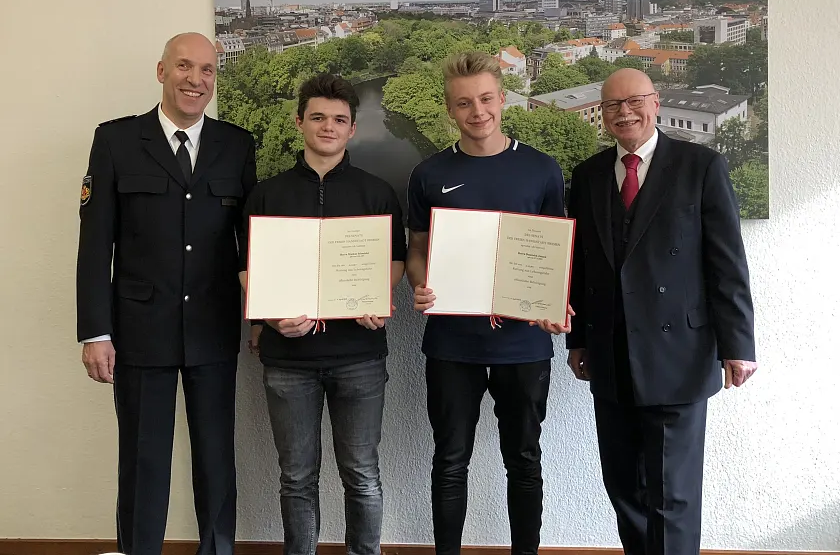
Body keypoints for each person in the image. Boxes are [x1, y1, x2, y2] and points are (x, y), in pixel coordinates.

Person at [76, 32, 257, 555]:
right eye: (184, 67)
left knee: (216, 456)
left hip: (214, 325)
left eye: (206, 70)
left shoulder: (236, 145)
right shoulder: (115, 140)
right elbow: (95, 245)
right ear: (161, 72)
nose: (195, 80)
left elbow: (251, 243)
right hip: (138, 330)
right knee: (143, 457)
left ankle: (217, 550)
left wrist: (262, 317)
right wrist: (95, 331)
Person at [565, 68, 757, 555]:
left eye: (634, 101)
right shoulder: (587, 176)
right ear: (602, 114)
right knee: (624, 490)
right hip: (610, 357)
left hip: (680, 355)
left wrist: (739, 347)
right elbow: (581, 264)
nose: (623, 112)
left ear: (656, 103)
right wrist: (578, 340)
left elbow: (727, 264)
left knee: (672, 496)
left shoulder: (701, 166)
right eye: (612, 105)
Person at [405, 51, 571, 555]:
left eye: (485, 99)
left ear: (502, 99)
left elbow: (555, 255)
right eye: (464, 104)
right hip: (453, 343)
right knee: (450, 458)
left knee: (523, 458)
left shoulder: (541, 169)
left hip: (523, 345)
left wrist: (554, 301)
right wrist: (419, 283)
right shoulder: (428, 173)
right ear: (450, 110)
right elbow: (416, 249)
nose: (477, 112)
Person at [239, 73, 407, 555]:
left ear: (352, 128)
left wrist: (377, 296)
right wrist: (268, 318)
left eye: (339, 119)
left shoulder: (377, 192)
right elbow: (247, 268)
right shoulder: (267, 195)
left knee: (362, 473)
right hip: (288, 360)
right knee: (295, 476)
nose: (328, 127)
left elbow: (394, 260)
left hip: (359, 355)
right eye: (318, 117)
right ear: (299, 122)